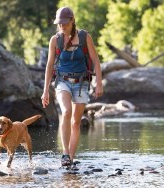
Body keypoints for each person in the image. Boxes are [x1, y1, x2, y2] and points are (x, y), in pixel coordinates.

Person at [41, 6, 103, 166]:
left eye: (64, 23)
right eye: (59, 23)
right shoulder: (55, 40)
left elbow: (95, 60)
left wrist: (99, 83)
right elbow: (49, 66)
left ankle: (70, 159)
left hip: (82, 84)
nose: (62, 26)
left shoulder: (84, 37)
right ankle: (65, 154)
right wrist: (45, 90)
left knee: (76, 122)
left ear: (72, 20)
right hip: (62, 82)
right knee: (66, 111)